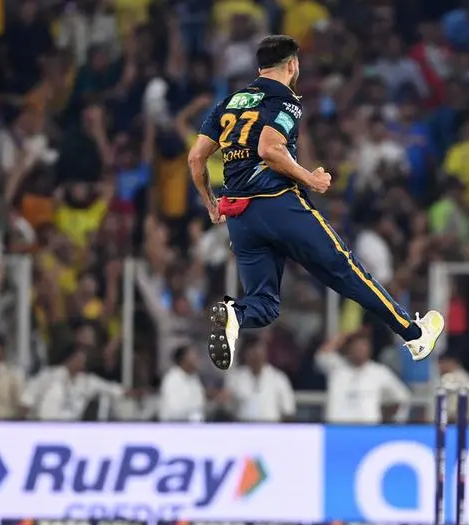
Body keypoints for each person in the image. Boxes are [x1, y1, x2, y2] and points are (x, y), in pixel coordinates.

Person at [187, 35, 444, 371]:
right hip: (278, 204)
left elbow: (196, 158)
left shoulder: (228, 104)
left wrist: (210, 203)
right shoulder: (285, 101)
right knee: (347, 269)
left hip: (240, 216)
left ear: (259, 66)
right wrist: (311, 179)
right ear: (292, 65)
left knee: (263, 305)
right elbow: (269, 148)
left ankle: (235, 315)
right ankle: (414, 335)